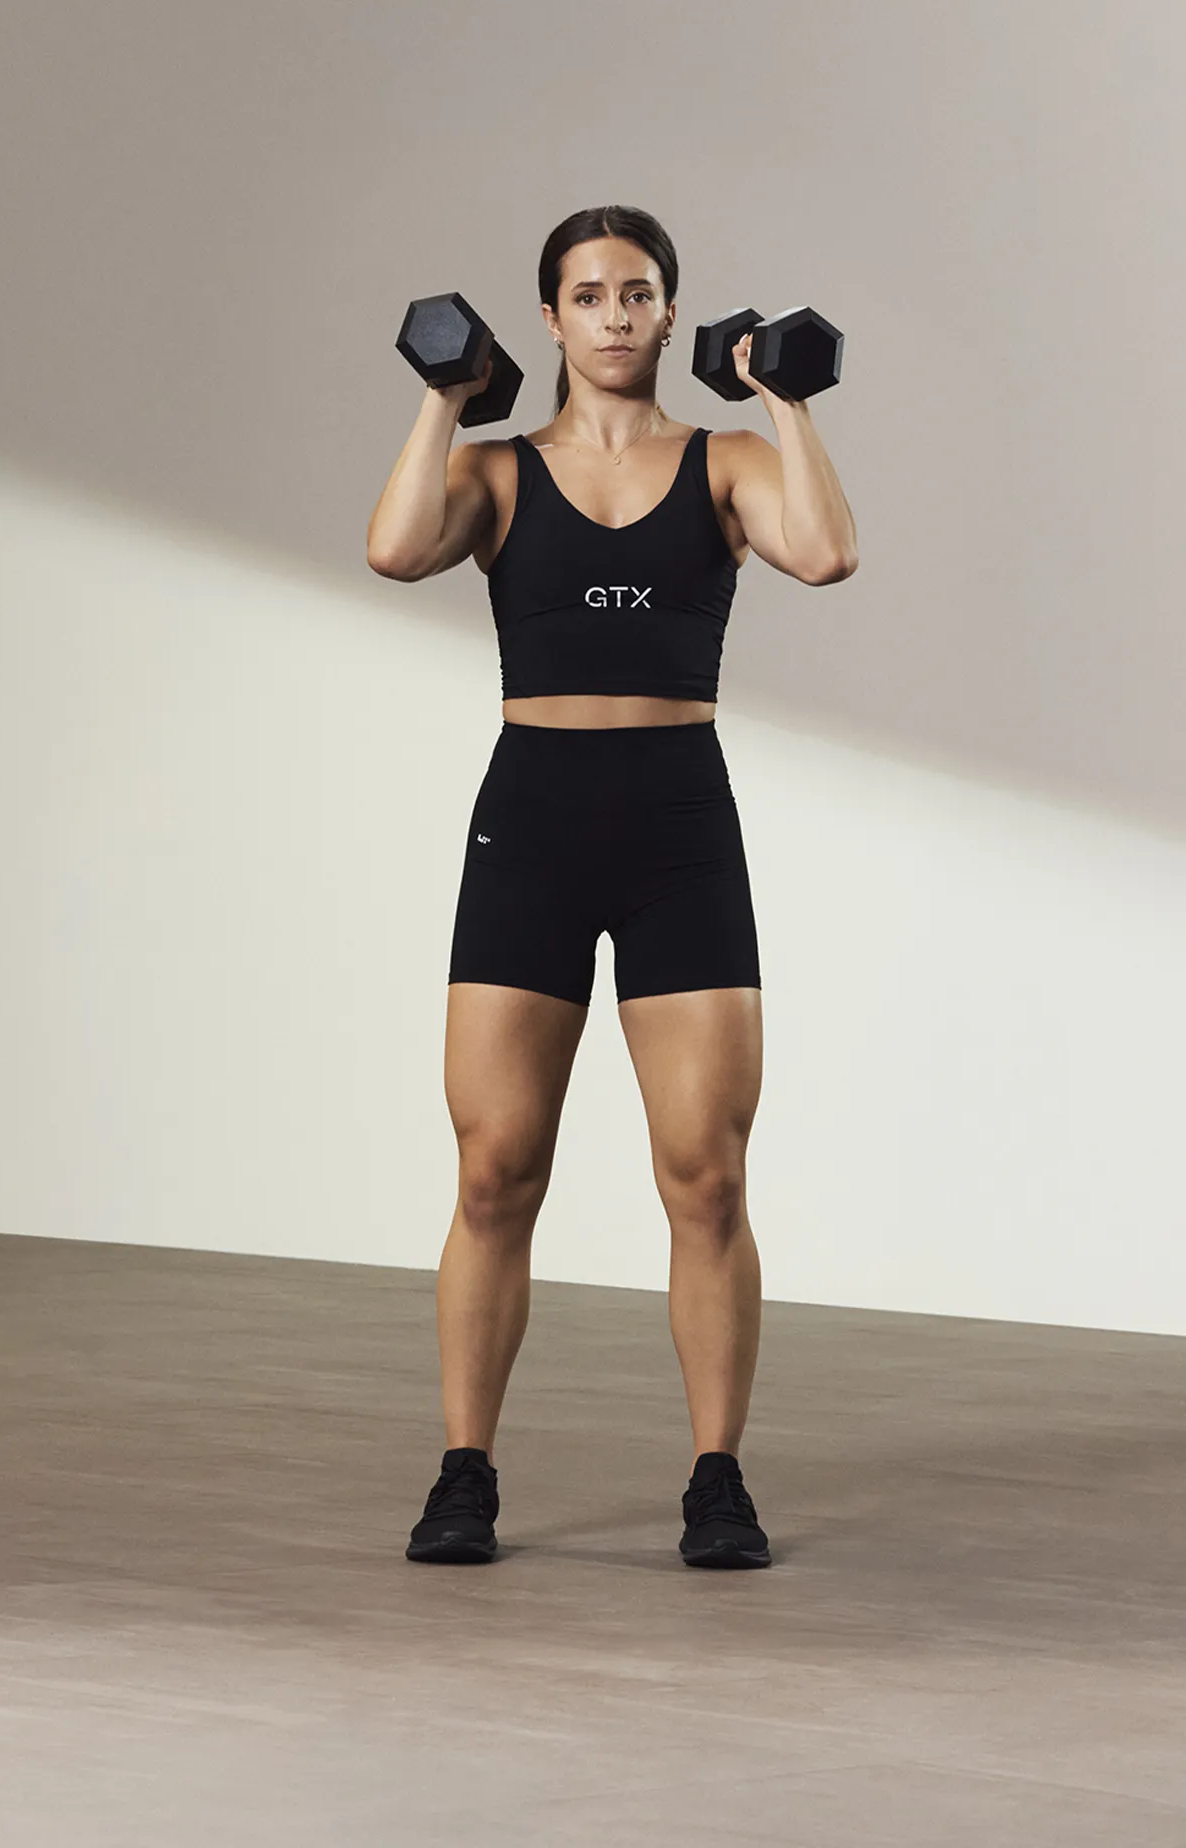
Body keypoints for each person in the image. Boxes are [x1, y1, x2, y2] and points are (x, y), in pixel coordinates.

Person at [365, 205, 857, 1568]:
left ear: (670, 312)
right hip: (531, 820)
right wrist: (440, 401)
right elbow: (395, 549)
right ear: (553, 320)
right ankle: (465, 1471)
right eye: (590, 295)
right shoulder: (498, 473)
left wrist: (790, 401)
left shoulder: (730, 462)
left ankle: (717, 1478)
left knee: (705, 1176)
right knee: (493, 1169)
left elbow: (824, 552)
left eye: (640, 293)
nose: (618, 315)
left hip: (677, 826)